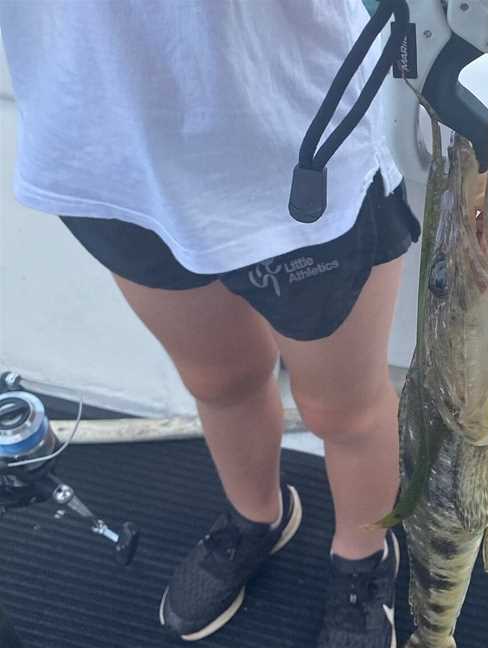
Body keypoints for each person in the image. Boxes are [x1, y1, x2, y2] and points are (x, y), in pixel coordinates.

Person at [0, 2, 420, 646]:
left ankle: (364, 558)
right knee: (218, 379)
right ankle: (258, 516)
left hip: (295, 140)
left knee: (346, 410)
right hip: (103, 149)